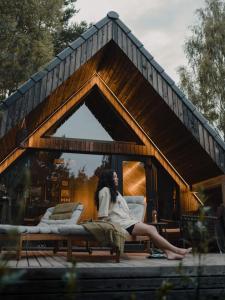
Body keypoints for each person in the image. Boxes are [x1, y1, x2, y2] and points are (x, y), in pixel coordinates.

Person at [95, 169, 192, 260]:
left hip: (127, 221)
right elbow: (103, 214)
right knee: (151, 229)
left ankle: (169, 253)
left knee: (152, 229)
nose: (117, 178)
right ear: (108, 179)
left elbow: (122, 210)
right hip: (119, 223)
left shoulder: (115, 192)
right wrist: (107, 228)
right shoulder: (105, 191)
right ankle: (176, 250)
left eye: (116, 176)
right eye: (114, 177)